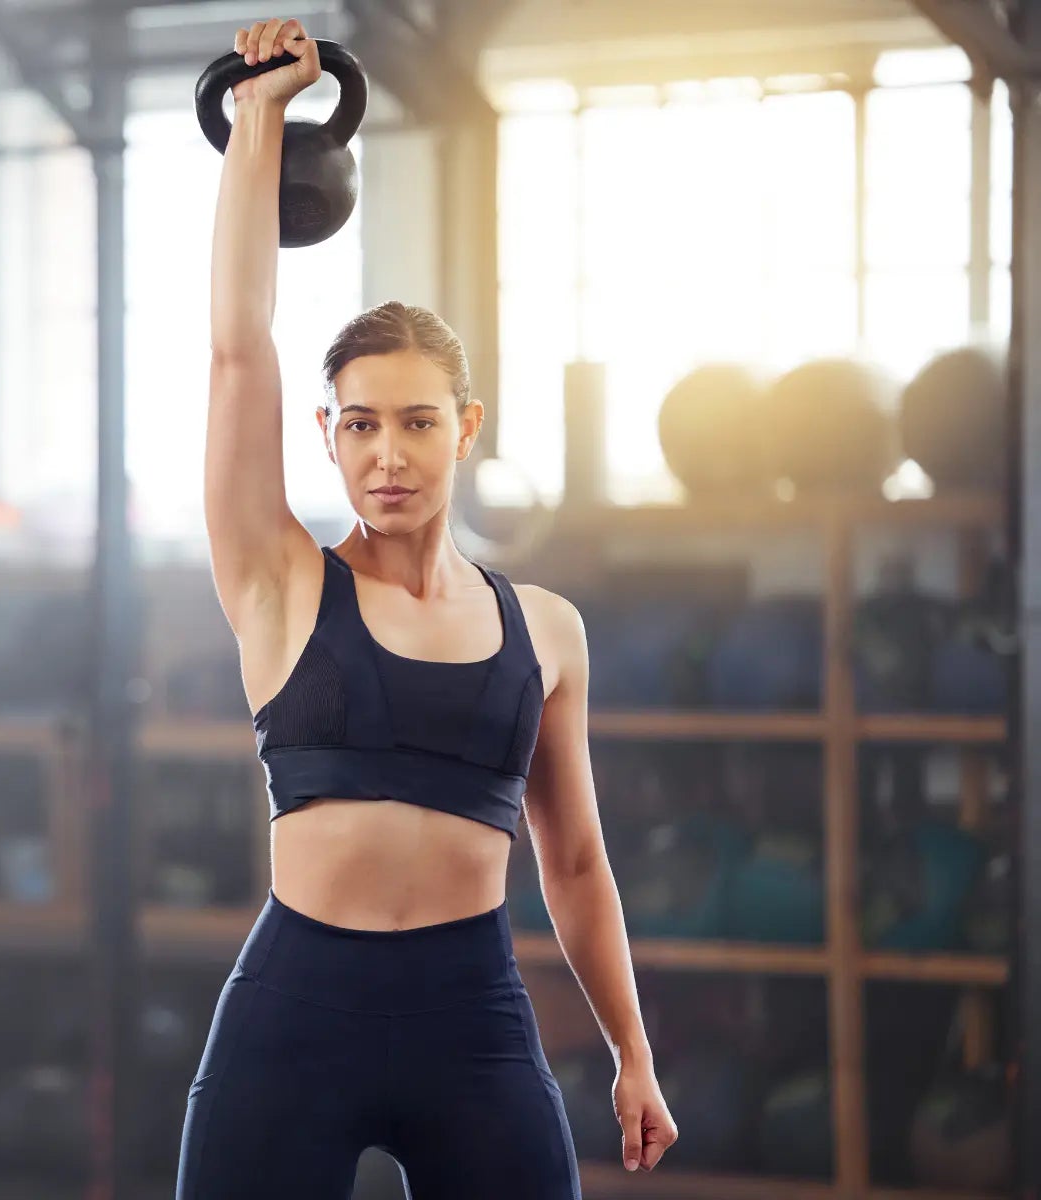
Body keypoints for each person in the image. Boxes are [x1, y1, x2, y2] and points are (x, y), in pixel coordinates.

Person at [178, 17, 679, 1199]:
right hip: (294, 1010)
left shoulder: (546, 631)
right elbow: (238, 351)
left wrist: (631, 1051)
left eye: (415, 422)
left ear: (465, 428)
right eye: (359, 424)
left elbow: (578, 862)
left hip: (471, 1017)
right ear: (328, 436)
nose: (386, 455)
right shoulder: (280, 580)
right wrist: (259, 121)